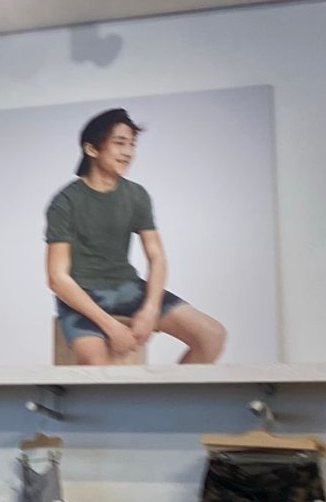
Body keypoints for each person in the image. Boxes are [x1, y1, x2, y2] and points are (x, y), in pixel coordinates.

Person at [44, 108, 226, 365]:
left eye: (132, 145)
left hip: (129, 288)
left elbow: (156, 256)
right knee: (95, 363)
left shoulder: (137, 195)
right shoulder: (65, 202)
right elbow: (57, 278)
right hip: (84, 293)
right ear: (92, 149)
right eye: (119, 143)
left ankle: (168, 404)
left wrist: (150, 310)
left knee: (211, 335)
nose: (128, 153)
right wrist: (110, 326)